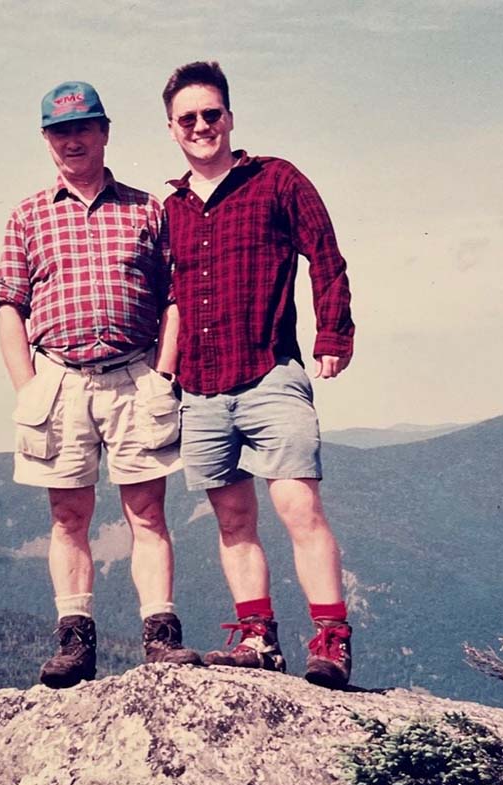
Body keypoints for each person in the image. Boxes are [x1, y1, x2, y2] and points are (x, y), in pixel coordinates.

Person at [0, 80, 201, 689]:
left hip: (135, 375)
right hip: (58, 379)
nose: (73, 139)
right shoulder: (28, 215)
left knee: (147, 512)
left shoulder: (146, 209)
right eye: (60, 130)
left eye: (83, 127)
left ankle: (161, 637)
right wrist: (28, 387)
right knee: (68, 516)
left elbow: (175, 298)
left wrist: (164, 373)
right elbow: (10, 306)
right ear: (46, 139)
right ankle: (74, 642)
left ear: (105, 131)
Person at [161, 61, 356, 688]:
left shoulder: (277, 180)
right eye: (187, 118)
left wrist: (335, 332)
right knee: (233, 521)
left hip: (270, 370)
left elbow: (324, 253)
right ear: (172, 128)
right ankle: (257, 638)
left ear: (230, 118)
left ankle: (330, 638)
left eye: (210, 114)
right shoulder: (173, 209)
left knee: (299, 506)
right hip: (200, 384)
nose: (201, 126)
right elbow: (165, 298)